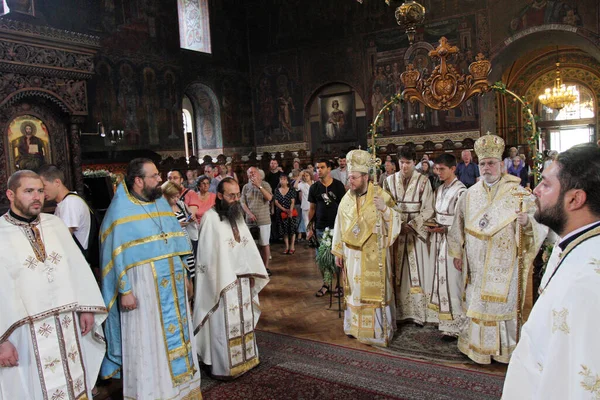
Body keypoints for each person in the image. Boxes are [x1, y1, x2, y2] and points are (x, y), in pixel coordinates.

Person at [503, 144, 600, 399]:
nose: (535, 191)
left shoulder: (586, 281)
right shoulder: (574, 245)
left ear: (575, 199)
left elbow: (582, 377)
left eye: (545, 184)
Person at [0, 170, 107, 399]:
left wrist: (86, 307)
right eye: (28, 191)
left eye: (40, 190)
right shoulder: (0, 234)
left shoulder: (56, 225)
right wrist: (1, 341)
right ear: (11, 194)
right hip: (24, 336)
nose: (37, 196)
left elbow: (77, 268)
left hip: (67, 326)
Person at [100, 158, 201, 399]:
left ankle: (181, 391)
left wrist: (186, 276)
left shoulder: (161, 204)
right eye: (155, 176)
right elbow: (114, 257)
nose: (160, 180)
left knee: (178, 337)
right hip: (142, 291)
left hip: (173, 290)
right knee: (149, 340)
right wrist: (124, 291)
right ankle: (152, 392)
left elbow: (175, 244)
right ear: (138, 180)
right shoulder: (119, 212)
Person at [448, 133, 546, 365]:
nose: (486, 167)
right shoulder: (469, 194)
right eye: (482, 163)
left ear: (502, 165)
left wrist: (527, 223)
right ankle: (478, 348)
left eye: (491, 163)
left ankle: (504, 350)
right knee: (476, 300)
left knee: (501, 303)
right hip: (476, 261)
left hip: (505, 262)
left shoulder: (519, 193)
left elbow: (537, 227)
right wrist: (457, 252)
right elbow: (457, 226)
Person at [193, 178, 269, 379]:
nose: (236, 200)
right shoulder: (210, 218)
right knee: (224, 327)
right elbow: (207, 256)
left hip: (242, 281)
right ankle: (224, 367)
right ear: (219, 196)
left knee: (244, 322)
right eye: (231, 196)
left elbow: (247, 248)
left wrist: (252, 273)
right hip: (222, 283)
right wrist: (217, 280)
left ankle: (247, 359)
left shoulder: (237, 216)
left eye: (237, 195)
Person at [331, 150, 401, 346]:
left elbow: (397, 223)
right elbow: (339, 225)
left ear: (365, 177)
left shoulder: (381, 196)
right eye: (348, 177)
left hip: (373, 255)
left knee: (374, 291)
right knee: (354, 291)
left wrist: (385, 210)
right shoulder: (346, 198)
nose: (350, 181)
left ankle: (378, 331)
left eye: (353, 178)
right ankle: (355, 327)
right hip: (351, 256)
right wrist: (338, 251)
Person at [383, 146, 435, 325]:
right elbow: (385, 207)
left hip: (415, 234)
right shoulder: (389, 181)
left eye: (408, 163)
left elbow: (429, 208)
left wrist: (412, 225)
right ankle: (398, 313)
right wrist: (398, 224)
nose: (404, 166)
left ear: (415, 163)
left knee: (417, 272)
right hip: (397, 233)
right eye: (401, 162)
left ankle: (418, 314)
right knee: (397, 272)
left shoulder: (423, 181)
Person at [426, 154, 467, 337]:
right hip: (439, 239)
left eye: (442, 169)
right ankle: (444, 322)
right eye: (437, 168)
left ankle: (457, 326)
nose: (438, 172)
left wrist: (445, 228)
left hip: (453, 241)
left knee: (453, 282)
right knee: (440, 279)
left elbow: (463, 222)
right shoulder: (440, 189)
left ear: (453, 169)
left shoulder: (461, 192)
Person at [308, 159, 346, 297]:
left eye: (322, 167)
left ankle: (340, 285)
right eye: (317, 168)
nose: (319, 170)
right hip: (320, 227)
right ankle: (326, 284)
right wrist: (310, 227)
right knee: (322, 258)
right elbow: (312, 209)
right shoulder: (314, 188)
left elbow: (344, 207)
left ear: (329, 169)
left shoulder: (338, 186)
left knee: (338, 257)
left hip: (336, 227)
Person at [39, 165, 91, 255]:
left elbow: (64, 237)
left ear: (57, 182)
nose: (43, 193)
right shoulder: (64, 203)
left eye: (44, 187)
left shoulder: (70, 202)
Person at [162, 181, 197, 288]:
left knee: (191, 276)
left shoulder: (180, 205)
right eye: (173, 197)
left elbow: (188, 216)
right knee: (181, 279)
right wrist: (176, 225)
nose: (176, 199)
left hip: (186, 243)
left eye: (178, 196)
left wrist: (190, 220)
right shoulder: (162, 209)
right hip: (174, 247)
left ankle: (190, 302)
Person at [241, 166, 273, 275]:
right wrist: (249, 213)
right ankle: (254, 267)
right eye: (249, 173)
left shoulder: (265, 185)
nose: (252, 174)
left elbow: (269, 198)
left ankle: (265, 267)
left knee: (264, 244)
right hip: (250, 221)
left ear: (259, 174)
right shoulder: (245, 187)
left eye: (254, 172)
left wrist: (259, 186)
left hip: (263, 220)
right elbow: (242, 202)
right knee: (251, 245)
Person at [274, 174, 298, 254]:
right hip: (281, 213)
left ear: (287, 181)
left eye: (284, 179)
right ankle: (287, 246)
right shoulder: (277, 190)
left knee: (292, 229)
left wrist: (290, 211)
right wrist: (284, 210)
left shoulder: (291, 190)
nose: (282, 180)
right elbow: (276, 202)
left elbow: (292, 202)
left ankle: (292, 246)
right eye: (281, 179)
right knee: (284, 230)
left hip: (290, 212)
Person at [295, 169, 312, 241]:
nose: (305, 177)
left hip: (314, 206)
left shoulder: (315, 183)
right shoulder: (301, 184)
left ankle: (314, 237)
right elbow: (295, 186)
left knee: (314, 223)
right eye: (304, 176)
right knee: (306, 223)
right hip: (305, 206)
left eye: (307, 175)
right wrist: (299, 176)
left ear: (310, 176)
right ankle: (309, 238)